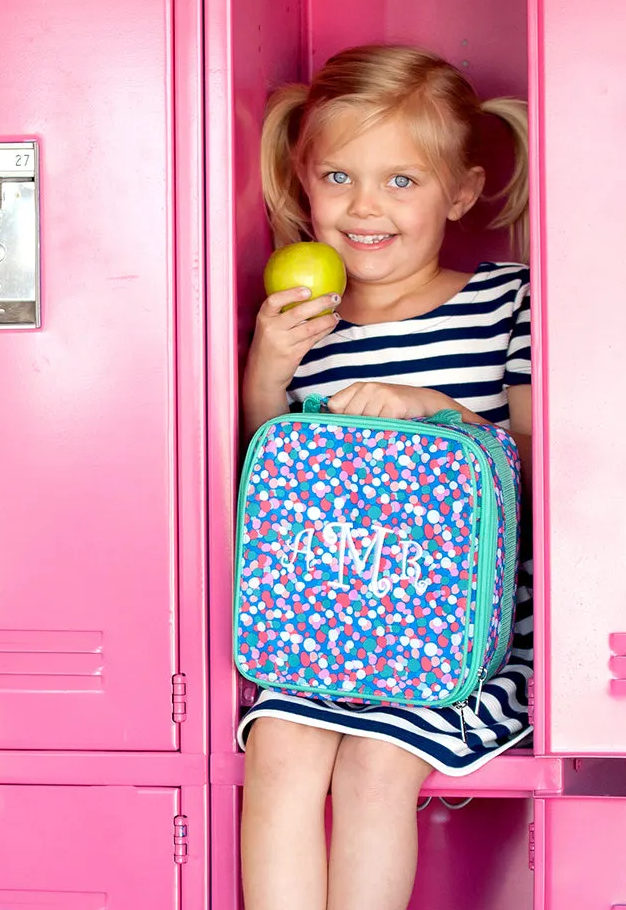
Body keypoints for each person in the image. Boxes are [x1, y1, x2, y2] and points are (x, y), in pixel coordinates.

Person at [237, 44, 533, 910]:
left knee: (376, 761)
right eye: (337, 177)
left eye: (401, 181)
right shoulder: (298, 323)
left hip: (461, 641)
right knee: (280, 752)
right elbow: (268, 484)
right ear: (302, 182)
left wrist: (435, 408)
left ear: (463, 191)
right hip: (329, 628)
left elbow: (535, 454)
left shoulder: (506, 300)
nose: (364, 208)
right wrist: (267, 366)